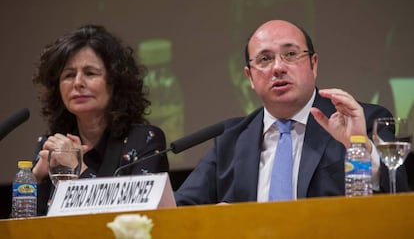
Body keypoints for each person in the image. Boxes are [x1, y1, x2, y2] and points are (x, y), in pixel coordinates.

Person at [174, 19, 408, 205]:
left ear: (313, 64)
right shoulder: (230, 141)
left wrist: (358, 146)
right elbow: (178, 210)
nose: (278, 67)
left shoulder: (360, 121)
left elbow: (399, 193)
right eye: (265, 59)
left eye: (291, 54)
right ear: (250, 77)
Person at [32, 24, 169, 215]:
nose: (78, 82)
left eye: (90, 73)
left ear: (114, 83)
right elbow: (21, 228)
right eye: (69, 75)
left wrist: (77, 169)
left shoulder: (145, 140)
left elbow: (133, 219)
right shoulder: (51, 145)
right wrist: (35, 178)